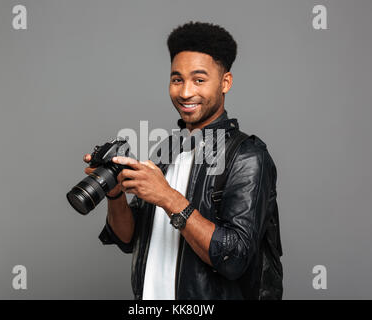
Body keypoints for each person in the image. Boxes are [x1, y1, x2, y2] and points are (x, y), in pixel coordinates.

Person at [84, 21, 283, 300]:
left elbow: (234, 258)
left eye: (199, 80)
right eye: (177, 79)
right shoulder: (167, 151)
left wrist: (168, 197)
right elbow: (129, 239)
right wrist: (115, 194)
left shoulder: (247, 157)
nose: (186, 92)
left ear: (225, 82)